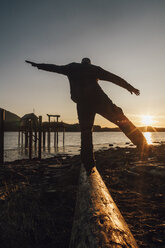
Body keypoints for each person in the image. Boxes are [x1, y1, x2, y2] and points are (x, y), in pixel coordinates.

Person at [26, 58, 149, 174]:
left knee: (86, 132)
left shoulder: (72, 67)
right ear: (88, 63)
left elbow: (54, 67)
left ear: (82, 62)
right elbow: (113, 78)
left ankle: (88, 162)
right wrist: (129, 87)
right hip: (100, 100)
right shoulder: (93, 69)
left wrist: (38, 66)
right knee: (121, 120)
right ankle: (142, 142)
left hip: (83, 103)